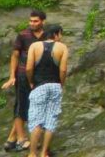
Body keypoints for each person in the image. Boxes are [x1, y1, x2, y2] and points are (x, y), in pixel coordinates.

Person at [1, 10, 46, 152]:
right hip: (22, 75)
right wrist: (11, 76)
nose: (32, 23)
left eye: (35, 21)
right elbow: (14, 56)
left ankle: (11, 138)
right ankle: (21, 139)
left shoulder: (47, 35)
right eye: (31, 21)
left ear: (42, 21)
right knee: (21, 105)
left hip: (39, 76)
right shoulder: (23, 35)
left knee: (33, 105)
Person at [25, 23, 68, 157]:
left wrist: (31, 81)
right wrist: (61, 83)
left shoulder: (34, 46)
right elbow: (63, 69)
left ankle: (32, 154)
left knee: (36, 120)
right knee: (51, 120)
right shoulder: (62, 48)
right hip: (55, 86)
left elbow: (28, 68)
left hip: (39, 86)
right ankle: (44, 153)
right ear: (56, 34)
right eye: (60, 34)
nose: (60, 37)